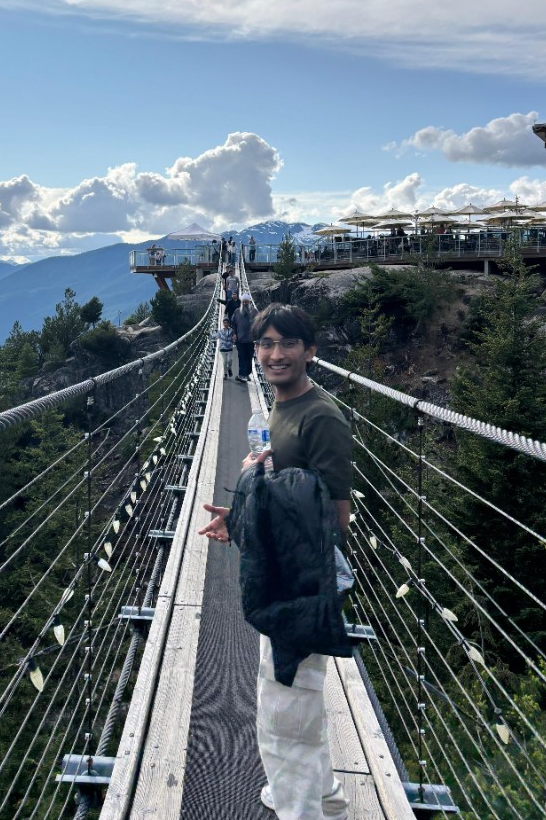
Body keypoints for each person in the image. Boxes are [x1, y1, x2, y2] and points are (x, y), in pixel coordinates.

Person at [199, 303, 352, 820]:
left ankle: (299, 809)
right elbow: (286, 501)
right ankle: (324, 797)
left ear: (311, 351)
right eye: (265, 343)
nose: (274, 353)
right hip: (289, 570)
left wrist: (259, 490)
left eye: (288, 343)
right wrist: (241, 510)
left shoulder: (321, 417)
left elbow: (333, 516)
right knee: (298, 694)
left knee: (286, 705)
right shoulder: (283, 406)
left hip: (304, 579)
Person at [231, 293, 257, 382]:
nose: (245, 303)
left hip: (251, 340)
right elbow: (233, 324)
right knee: (242, 357)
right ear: (241, 302)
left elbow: (259, 325)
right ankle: (242, 375)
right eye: (243, 302)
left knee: (249, 358)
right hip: (240, 339)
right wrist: (234, 334)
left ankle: (246, 373)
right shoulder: (237, 312)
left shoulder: (254, 312)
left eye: (246, 302)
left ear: (249, 302)